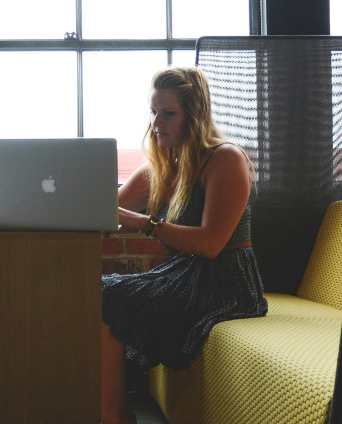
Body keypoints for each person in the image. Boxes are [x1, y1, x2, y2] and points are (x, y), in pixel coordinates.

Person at [101, 67, 268, 424]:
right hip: (184, 274)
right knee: (97, 292)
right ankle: (113, 410)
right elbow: (107, 211)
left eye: (168, 113)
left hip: (226, 280)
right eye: (153, 112)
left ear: (194, 115)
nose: (157, 123)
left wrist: (144, 223)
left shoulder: (225, 159)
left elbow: (211, 244)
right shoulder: (161, 165)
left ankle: (112, 414)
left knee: (107, 296)